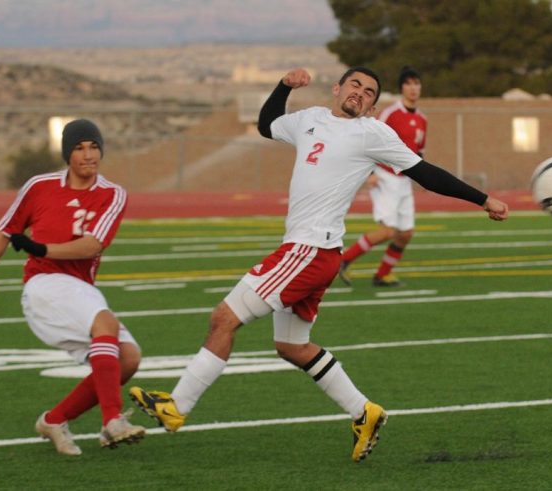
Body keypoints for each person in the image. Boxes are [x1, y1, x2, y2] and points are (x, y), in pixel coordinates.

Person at [129, 67, 508, 463]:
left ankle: (177, 406)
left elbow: (426, 174)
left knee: (223, 318)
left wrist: (483, 199)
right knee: (292, 346)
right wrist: (283, 87)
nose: (360, 93)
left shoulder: (373, 133)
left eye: (369, 92)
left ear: (373, 106)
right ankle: (365, 412)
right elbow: (266, 125)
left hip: (307, 251)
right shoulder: (309, 118)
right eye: (355, 85)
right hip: (316, 253)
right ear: (338, 88)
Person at [0, 118, 145, 456]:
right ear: (67, 154)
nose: (89, 155)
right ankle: (112, 422)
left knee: (128, 359)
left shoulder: (112, 193)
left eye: (94, 147)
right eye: (79, 148)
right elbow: (5, 230)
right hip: (44, 284)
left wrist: (40, 247)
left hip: (80, 287)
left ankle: (54, 419)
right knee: (105, 324)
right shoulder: (39, 186)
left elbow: (92, 246)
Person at [339, 66, 426, 287]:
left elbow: (419, 152)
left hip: (404, 180)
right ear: (402, 88)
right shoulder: (390, 113)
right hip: (385, 176)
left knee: (405, 233)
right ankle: (343, 260)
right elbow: (369, 139)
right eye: (409, 83)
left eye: (416, 83)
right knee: (388, 231)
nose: (413, 88)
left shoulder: (422, 119)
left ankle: (382, 275)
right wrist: (369, 173)